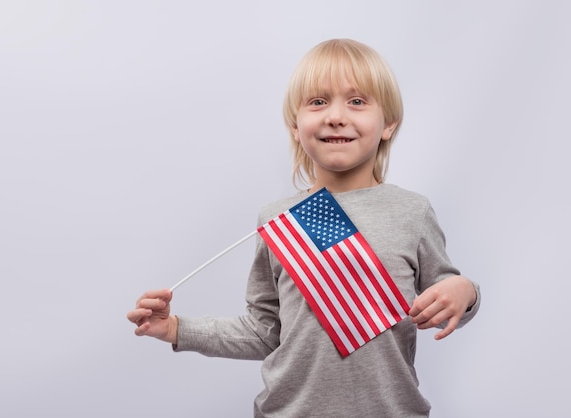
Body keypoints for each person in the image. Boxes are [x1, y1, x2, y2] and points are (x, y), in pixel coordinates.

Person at [126, 38, 480, 417]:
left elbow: (447, 299)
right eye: (318, 102)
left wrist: (466, 292)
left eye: (357, 101)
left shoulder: (413, 211)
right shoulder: (280, 221)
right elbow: (265, 331)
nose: (336, 116)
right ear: (296, 126)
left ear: (388, 124)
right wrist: (176, 328)